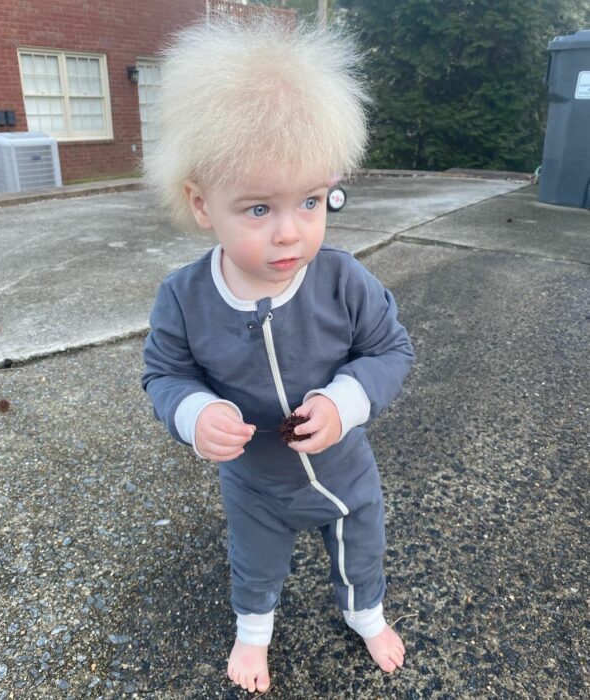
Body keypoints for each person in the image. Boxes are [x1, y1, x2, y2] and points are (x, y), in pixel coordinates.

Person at [142, 11, 414, 694]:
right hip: (258, 483)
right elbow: (165, 373)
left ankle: (364, 613)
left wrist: (344, 400)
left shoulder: (343, 279)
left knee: (361, 551)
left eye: (312, 201)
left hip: (344, 473)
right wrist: (193, 413)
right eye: (258, 209)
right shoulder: (184, 297)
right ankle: (253, 633)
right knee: (255, 562)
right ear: (202, 204)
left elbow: (388, 348)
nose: (290, 233)